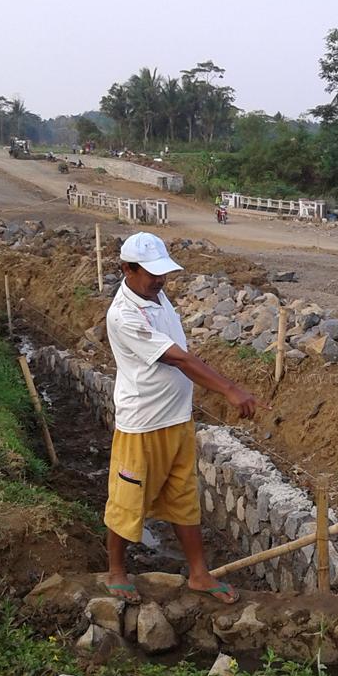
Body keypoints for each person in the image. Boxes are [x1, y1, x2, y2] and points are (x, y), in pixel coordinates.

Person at [103, 232, 267, 604]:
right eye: (151, 273)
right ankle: (116, 571)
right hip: (142, 424)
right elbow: (178, 358)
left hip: (177, 419)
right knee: (128, 500)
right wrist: (229, 389)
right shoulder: (124, 314)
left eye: (163, 273)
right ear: (127, 269)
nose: (160, 280)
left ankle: (198, 574)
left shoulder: (157, 297)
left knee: (183, 498)